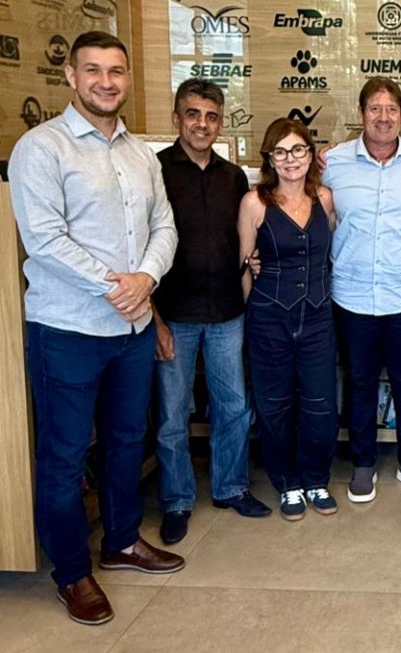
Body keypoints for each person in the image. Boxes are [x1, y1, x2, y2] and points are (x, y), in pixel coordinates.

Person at [8, 31, 183, 625]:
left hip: (132, 331)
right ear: (71, 77)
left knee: (126, 440)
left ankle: (123, 541)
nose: (106, 82)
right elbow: (44, 239)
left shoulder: (140, 154)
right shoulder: (41, 148)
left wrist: (147, 278)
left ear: (128, 77)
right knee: (63, 456)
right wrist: (119, 286)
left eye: (115, 71)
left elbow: (164, 225)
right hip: (69, 330)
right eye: (93, 70)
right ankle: (71, 573)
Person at [153, 78, 270, 546]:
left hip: (225, 310)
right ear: (177, 118)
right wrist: (153, 318)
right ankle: (176, 500)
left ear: (221, 123)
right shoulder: (155, 171)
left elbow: (243, 241)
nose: (202, 124)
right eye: (193, 114)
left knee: (233, 406)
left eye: (211, 116)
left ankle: (231, 487)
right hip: (173, 311)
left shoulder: (233, 177)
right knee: (172, 413)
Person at [324, 77, 401, 503]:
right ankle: (363, 464)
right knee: (359, 381)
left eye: (391, 109)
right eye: (375, 108)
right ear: (361, 115)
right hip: (353, 296)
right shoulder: (334, 163)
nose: (383, 117)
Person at [238, 119, 338, 521]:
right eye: (280, 152)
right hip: (269, 318)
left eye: (298, 149)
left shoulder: (324, 199)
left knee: (320, 404)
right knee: (274, 405)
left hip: (317, 316)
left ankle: (316, 477)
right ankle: (287, 482)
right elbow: (244, 265)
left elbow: (329, 253)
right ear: (269, 159)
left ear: (310, 154)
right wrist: (249, 317)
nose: (290, 159)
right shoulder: (255, 203)